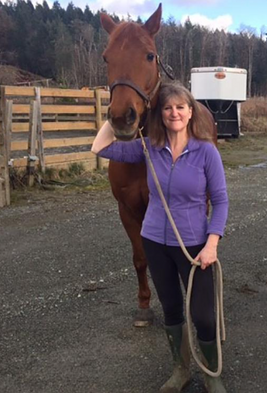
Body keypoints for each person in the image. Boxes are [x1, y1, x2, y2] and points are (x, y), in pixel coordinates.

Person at [92, 82, 228, 393]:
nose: (174, 113)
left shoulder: (206, 151)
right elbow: (99, 148)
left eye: (180, 107)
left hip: (194, 246)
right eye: (168, 108)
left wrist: (211, 244)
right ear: (161, 114)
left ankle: (211, 374)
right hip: (154, 241)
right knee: (170, 309)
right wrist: (116, 110)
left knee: (204, 316)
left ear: (190, 112)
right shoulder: (148, 148)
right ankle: (180, 371)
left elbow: (220, 201)